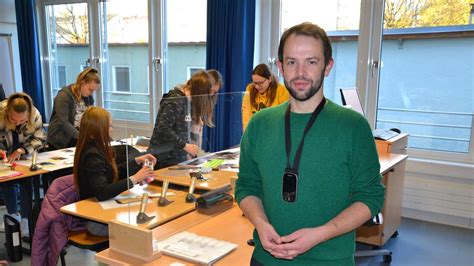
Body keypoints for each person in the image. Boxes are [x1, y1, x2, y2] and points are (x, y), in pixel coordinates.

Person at [235, 22, 385, 265]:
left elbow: (370, 197)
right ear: (281, 67)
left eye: (311, 62)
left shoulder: (353, 126)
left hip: (329, 260)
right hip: (265, 258)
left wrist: (320, 234)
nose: (300, 72)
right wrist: (260, 224)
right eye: (292, 62)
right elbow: (246, 186)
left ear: (328, 66)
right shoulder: (260, 124)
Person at [73, 106, 156, 236]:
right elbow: (102, 192)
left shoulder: (98, 148)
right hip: (95, 219)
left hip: (104, 209)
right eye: (110, 126)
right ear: (98, 130)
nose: (112, 130)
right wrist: (135, 179)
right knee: (140, 230)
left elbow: (113, 174)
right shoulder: (92, 155)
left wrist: (137, 161)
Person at [0, 93, 46, 235]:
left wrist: (22, 150)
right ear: (8, 113)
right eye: (13, 119)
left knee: (27, 181)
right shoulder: (0, 113)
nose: (17, 123)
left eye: (22, 120)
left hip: (24, 153)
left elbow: (40, 138)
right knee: (7, 181)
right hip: (4, 155)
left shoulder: (35, 114)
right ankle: (13, 215)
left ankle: (25, 218)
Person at [148, 70, 214, 168]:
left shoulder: (188, 102)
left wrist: (189, 146)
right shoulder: (176, 101)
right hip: (163, 159)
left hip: (176, 159)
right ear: (200, 92)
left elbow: (180, 130)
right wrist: (185, 146)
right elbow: (163, 128)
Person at [47, 67, 99, 150]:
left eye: (93, 91)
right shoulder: (63, 96)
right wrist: (82, 137)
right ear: (82, 83)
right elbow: (63, 122)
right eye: (90, 90)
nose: (92, 93)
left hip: (75, 139)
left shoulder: (88, 98)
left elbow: (89, 118)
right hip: (59, 141)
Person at [241, 63, 289, 130]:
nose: (257, 86)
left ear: (269, 79)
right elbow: (246, 112)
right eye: (255, 83)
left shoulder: (282, 91)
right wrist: (247, 132)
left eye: (261, 83)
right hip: (255, 131)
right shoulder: (250, 88)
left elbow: (284, 116)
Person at [190, 69, 223, 150]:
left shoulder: (208, 100)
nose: (212, 94)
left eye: (215, 92)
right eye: (211, 91)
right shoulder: (191, 101)